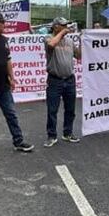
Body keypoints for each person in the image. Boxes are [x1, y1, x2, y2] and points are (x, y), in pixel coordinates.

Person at [0, 12, 34, 156]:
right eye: (2, 23)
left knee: (11, 114)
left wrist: (12, 78)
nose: (4, 25)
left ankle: (18, 141)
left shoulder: (4, 40)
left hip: (3, 86)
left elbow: (8, 60)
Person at [44, 17, 82, 147]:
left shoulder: (70, 41)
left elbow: (78, 56)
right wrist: (63, 33)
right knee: (52, 110)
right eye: (63, 25)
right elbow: (51, 45)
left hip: (69, 79)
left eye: (66, 25)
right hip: (55, 80)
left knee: (70, 109)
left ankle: (67, 133)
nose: (66, 27)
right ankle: (51, 136)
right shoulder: (48, 38)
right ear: (55, 27)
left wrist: (82, 40)